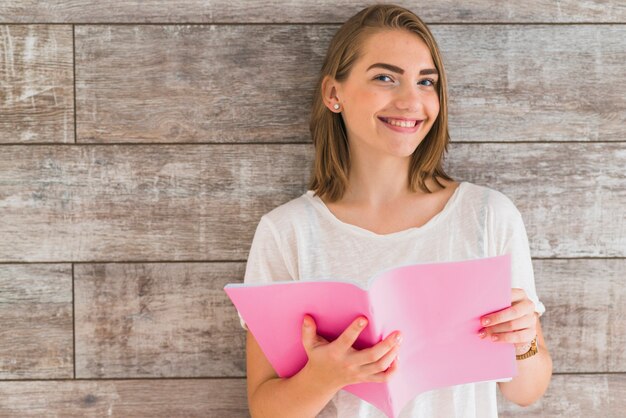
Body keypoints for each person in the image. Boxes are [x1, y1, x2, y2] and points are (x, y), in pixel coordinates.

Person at [239, 4, 553, 417]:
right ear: (334, 94)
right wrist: (323, 377)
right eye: (385, 78)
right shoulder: (288, 232)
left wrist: (525, 339)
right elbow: (267, 410)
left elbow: (526, 391)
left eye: (426, 82)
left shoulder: (488, 216)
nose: (411, 101)